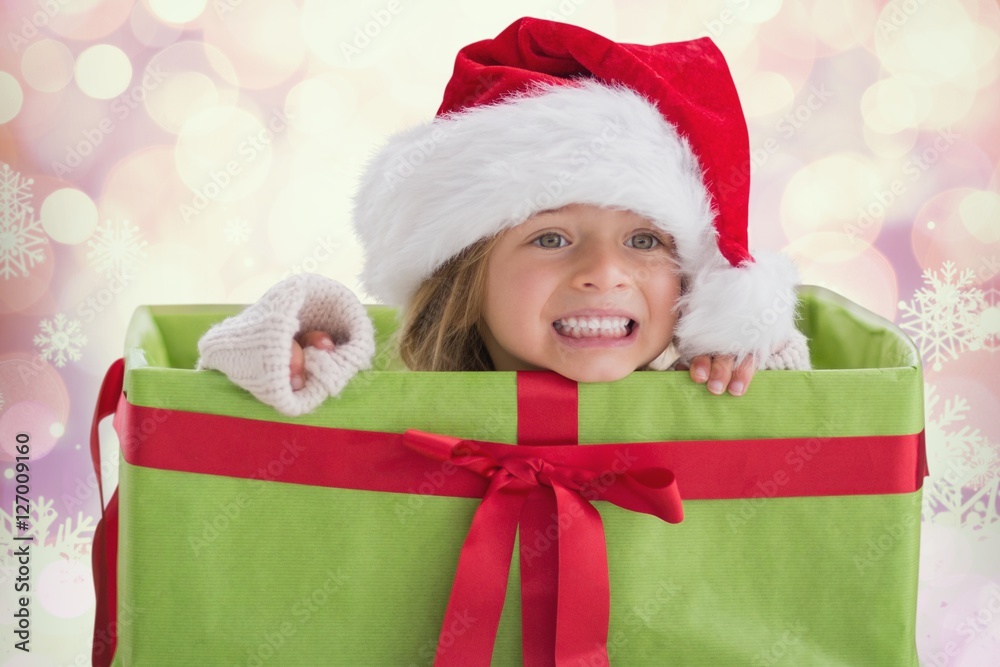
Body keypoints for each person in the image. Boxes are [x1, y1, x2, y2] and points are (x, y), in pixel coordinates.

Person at [197, 17, 811, 417]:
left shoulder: (696, 386)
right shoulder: (384, 383)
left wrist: (748, 346)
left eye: (644, 239)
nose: (604, 273)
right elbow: (217, 382)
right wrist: (292, 353)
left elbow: (800, 407)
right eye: (551, 237)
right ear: (466, 270)